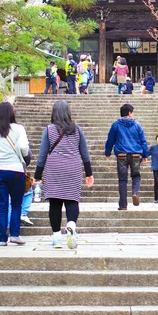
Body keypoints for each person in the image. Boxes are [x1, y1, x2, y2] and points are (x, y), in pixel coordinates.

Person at [34, 100, 94, 249]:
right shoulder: (77, 129)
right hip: (72, 167)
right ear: (68, 112)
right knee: (72, 199)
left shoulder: (49, 130)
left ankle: (56, 238)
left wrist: (37, 176)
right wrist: (89, 173)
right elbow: (85, 153)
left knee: (54, 202)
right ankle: (71, 225)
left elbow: (42, 155)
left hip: (54, 167)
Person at [0, 102, 30, 246]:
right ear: (12, 113)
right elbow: (23, 147)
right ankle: (15, 235)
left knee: (2, 205)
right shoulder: (18, 128)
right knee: (16, 203)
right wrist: (23, 155)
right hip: (15, 170)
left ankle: (2, 239)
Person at [105, 103, 148, 210]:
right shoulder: (137, 125)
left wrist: (107, 152)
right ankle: (134, 193)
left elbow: (110, 139)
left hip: (121, 155)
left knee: (122, 180)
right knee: (136, 176)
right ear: (129, 113)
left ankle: (123, 204)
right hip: (135, 154)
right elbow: (143, 141)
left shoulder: (116, 124)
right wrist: (145, 155)